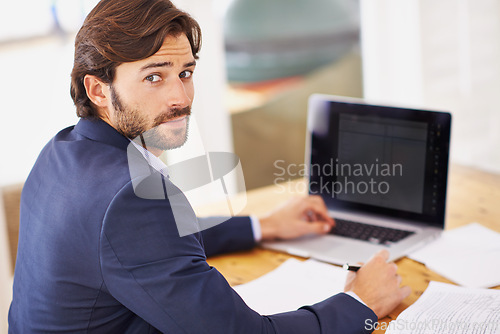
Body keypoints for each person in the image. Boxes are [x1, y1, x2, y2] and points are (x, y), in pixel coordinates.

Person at [8, 0, 410, 333]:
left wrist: (262, 226)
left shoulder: (63, 151)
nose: (180, 97)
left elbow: (146, 244)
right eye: (154, 77)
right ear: (98, 89)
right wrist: (361, 302)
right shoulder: (128, 195)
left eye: (185, 73)